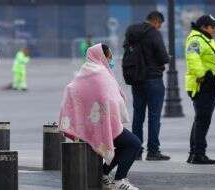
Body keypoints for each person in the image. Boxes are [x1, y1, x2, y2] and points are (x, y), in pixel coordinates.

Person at [59, 43, 141, 190]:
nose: (111, 59)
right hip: (101, 124)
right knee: (134, 144)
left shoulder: (86, 71)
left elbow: (72, 90)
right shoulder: (100, 73)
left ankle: (103, 173)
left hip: (90, 124)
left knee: (124, 145)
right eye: (109, 56)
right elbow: (108, 98)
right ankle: (119, 180)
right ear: (102, 56)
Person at [124, 11, 170, 161]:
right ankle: (153, 151)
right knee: (154, 116)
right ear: (156, 21)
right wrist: (166, 58)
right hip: (153, 79)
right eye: (160, 24)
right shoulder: (154, 33)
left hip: (137, 79)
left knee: (138, 115)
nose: (159, 27)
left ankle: (136, 151)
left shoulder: (131, 31)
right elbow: (163, 57)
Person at [184, 14, 215, 165]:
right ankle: (199, 154)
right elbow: (192, 59)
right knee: (203, 120)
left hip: (209, 85)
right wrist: (205, 75)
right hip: (202, 85)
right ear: (204, 27)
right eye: (213, 27)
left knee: (200, 119)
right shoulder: (196, 39)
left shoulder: (206, 39)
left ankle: (194, 153)